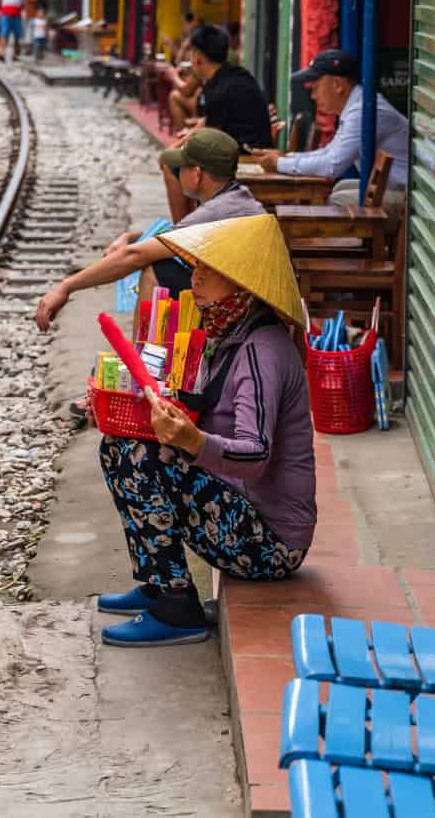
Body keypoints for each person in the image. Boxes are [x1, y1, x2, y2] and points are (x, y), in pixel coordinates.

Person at [93, 213, 316, 646]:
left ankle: (177, 608)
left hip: (270, 544)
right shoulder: (228, 334)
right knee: (119, 445)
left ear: (240, 284)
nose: (194, 280)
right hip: (238, 511)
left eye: (207, 271)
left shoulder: (261, 352)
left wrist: (192, 442)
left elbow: (255, 454)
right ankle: (160, 583)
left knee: (141, 459)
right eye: (195, 268)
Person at [34, 129, 263, 332]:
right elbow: (171, 234)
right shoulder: (234, 198)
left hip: (238, 309)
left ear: (196, 174)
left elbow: (135, 256)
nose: (175, 174)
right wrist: (130, 237)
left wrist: (66, 286)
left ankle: (144, 366)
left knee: (156, 271)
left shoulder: (216, 210)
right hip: (242, 298)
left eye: (179, 168)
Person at [255, 49, 410, 207]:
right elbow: (330, 152)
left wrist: (280, 163)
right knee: (340, 188)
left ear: (337, 85)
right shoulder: (356, 106)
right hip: (395, 188)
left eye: (316, 88)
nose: (313, 96)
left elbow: (331, 165)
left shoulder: (361, 110)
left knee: (338, 200)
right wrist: (286, 158)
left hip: (409, 199)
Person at [160, 23, 271, 221]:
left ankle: (181, 231)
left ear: (197, 57)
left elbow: (208, 139)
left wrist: (172, 149)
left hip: (245, 157)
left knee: (169, 164)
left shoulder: (219, 90)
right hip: (244, 150)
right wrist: (182, 141)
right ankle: (190, 223)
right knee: (173, 157)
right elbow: (208, 123)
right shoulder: (232, 76)